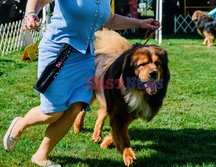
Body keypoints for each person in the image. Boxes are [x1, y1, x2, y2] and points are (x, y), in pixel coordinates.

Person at [3, 0, 159, 166]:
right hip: (58, 53)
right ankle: (20, 124)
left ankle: (41, 155)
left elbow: (109, 20)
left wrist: (140, 23)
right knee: (51, 113)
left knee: (76, 107)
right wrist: (30, 14)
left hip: (85, 57)